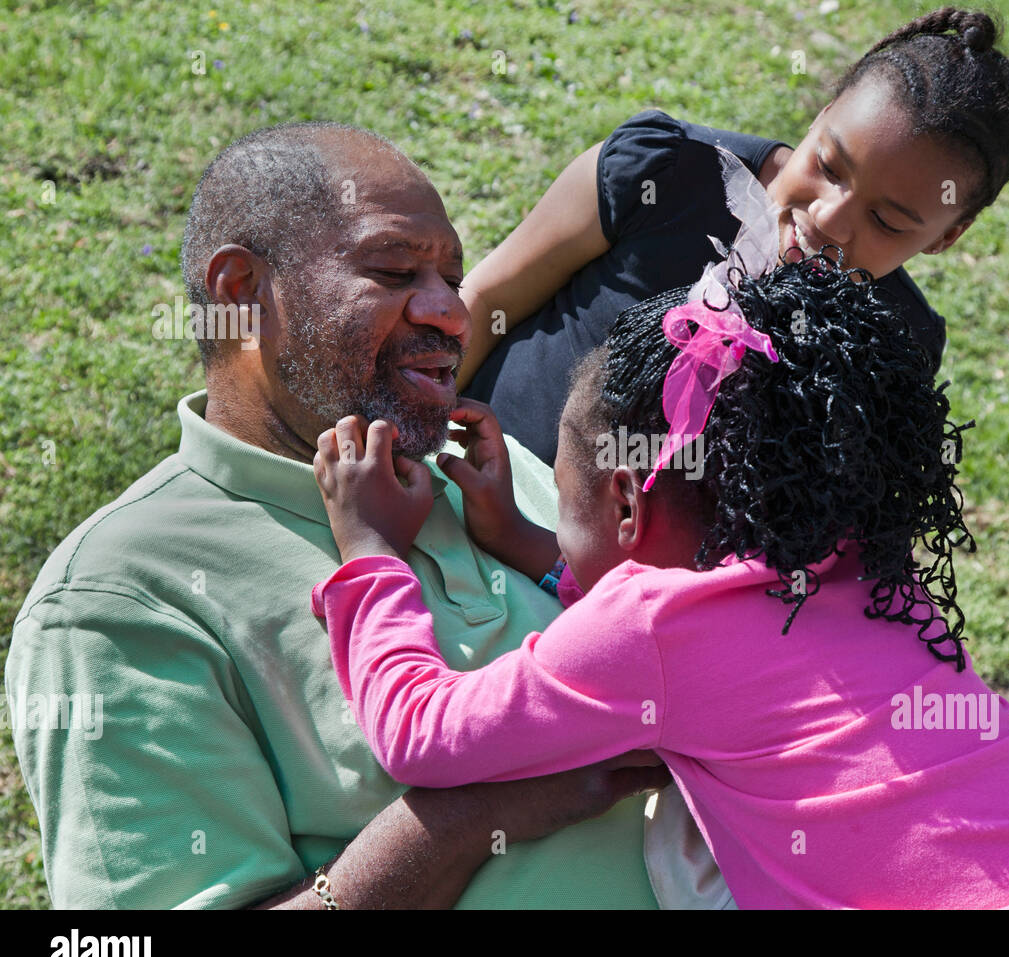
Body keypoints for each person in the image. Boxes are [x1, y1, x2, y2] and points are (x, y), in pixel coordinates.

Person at [311, 256, 1009, 908]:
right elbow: (714, 636)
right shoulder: (864, 571)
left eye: (570, 517)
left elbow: (421, 733)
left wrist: (371, 550)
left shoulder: (648, 629)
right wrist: (526, 537)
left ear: (628, 501)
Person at [3, 120, 674, 909]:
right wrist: (472, 815)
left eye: (451, 277)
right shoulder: (117, 598)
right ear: (241, 293)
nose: (452, 313)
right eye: (394, 271)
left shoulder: (496, 474)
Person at [456, 6, 1009, 465]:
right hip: (452, 487)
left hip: (614, 581)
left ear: (945, 237)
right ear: (821, 116)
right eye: (829, 166)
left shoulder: (893, 342)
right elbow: (485, 300)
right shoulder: (661, 172)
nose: (828, 218)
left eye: (887, 221)